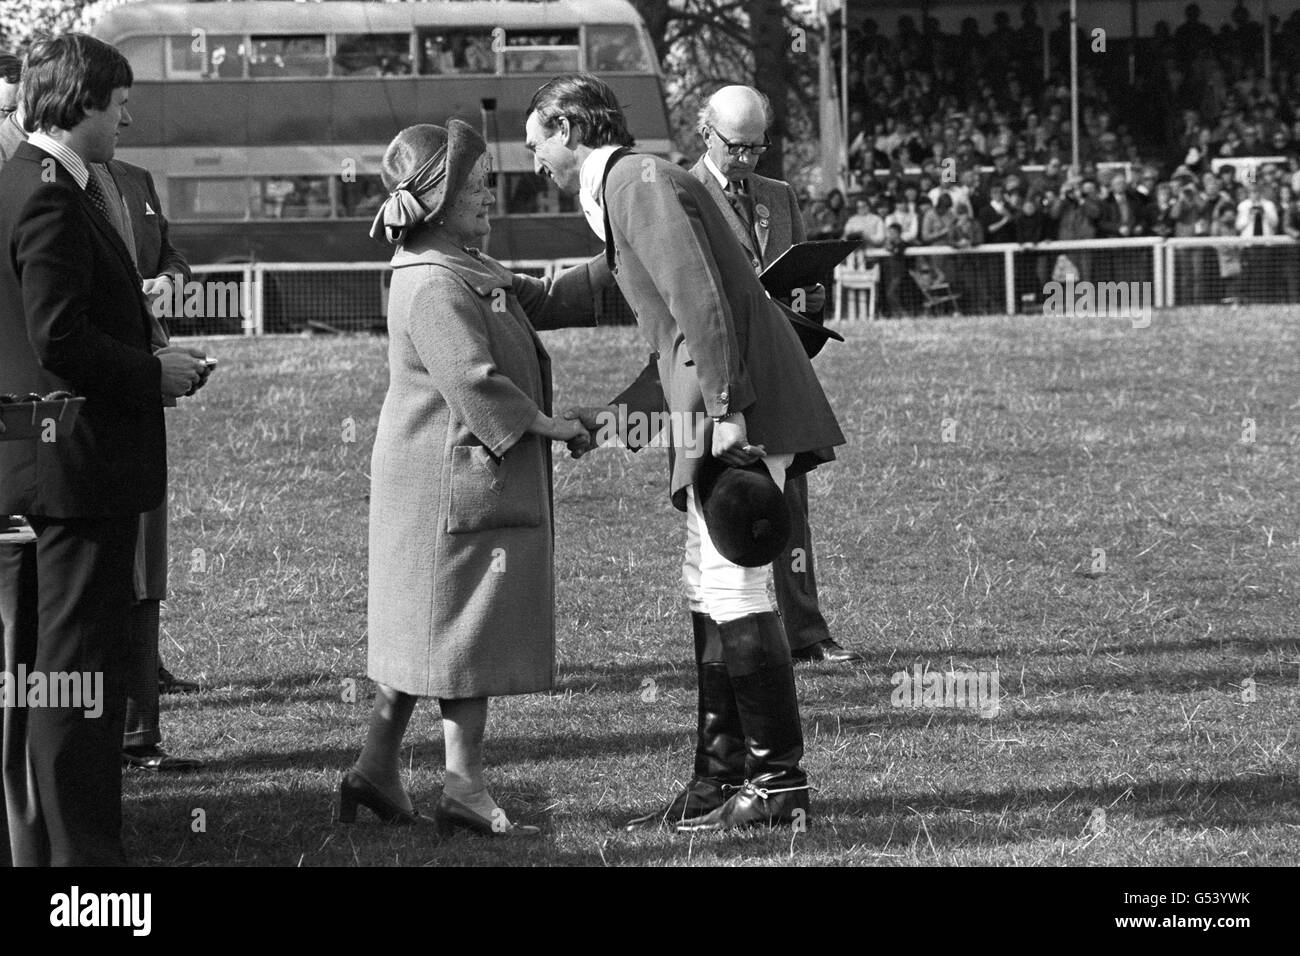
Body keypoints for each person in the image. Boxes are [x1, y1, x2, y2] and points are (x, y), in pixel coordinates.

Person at [527, 74, 845, 831]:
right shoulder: (630, 186)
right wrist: (518, 295)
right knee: (708, 588)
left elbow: (699, 297)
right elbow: (644, 318)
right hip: (716, 406)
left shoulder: (635, 181)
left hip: (738, 410)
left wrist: (730, 410)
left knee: (734, 592)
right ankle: (718, 780)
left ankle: (777, 785)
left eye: (537, 137)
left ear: (568, 129)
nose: (533, 155)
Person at [342, 120, 603, 837]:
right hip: (446, 480)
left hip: (453, 472)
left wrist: (628, 255)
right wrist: (550, 425)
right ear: (442, 193)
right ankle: (462, 786)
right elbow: (472, 378)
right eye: (479, 184)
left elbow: (540, 297)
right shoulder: (432, 279)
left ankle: (375, 768)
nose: (492, 192)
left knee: (422, 630)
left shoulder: (458, 260)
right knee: (460, 633)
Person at [0, 33, 206, 866]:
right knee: (78, 676)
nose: (129, 111)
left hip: (40, 467)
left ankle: (48, 849)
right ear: (82, 98)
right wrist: (152, 372)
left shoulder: (25, 180)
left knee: (47, 673)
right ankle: (83, 869)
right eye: (119, 96)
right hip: (74, 474)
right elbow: (60, 337)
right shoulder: (50, 194)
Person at [687, 85, 858, 665]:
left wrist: (811, 299)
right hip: (720, 374)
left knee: (792, 510)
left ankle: (805, 632)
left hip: (781, 371)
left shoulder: (778, 196)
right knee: (723, 509)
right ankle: (728, 638)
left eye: (758, 148)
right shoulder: (680, 195)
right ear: (704, 132)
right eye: (738, 147)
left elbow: (798, 277)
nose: (748, 160)